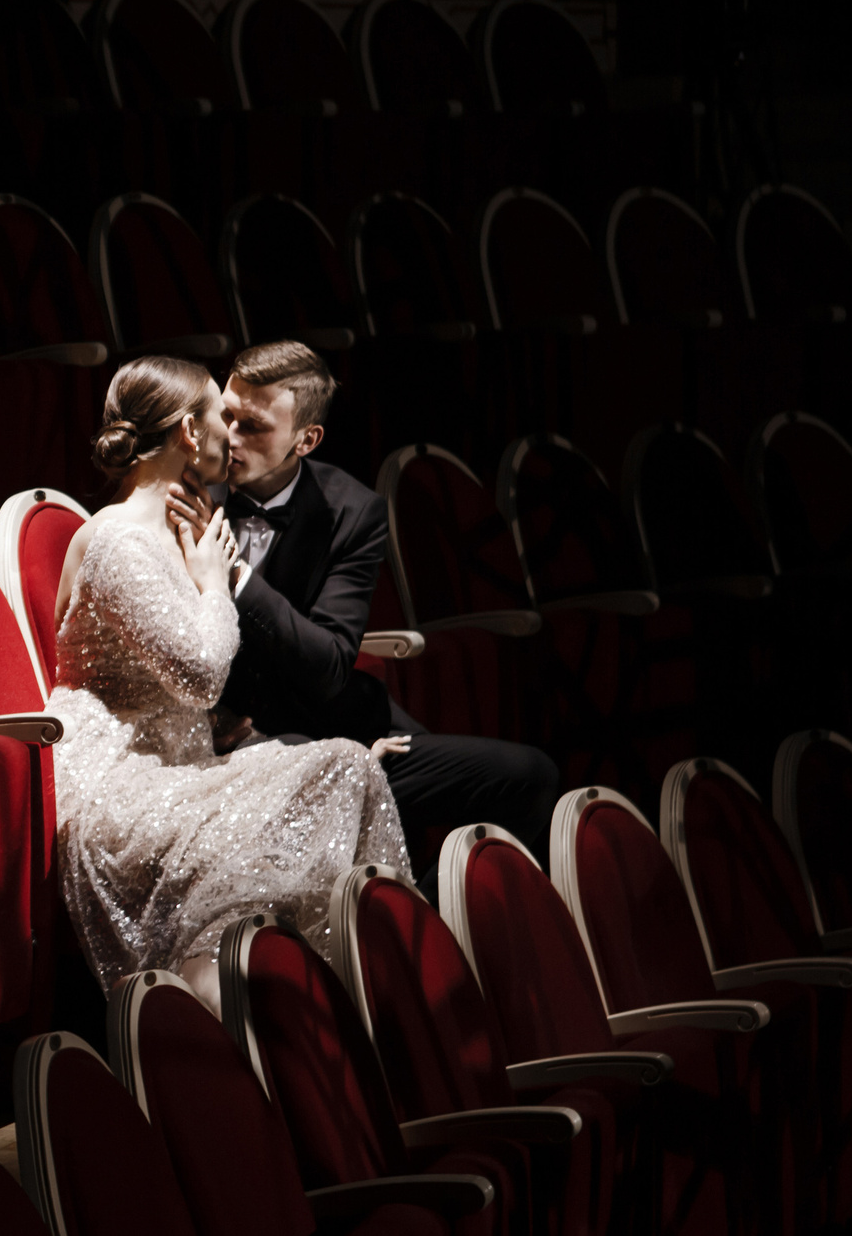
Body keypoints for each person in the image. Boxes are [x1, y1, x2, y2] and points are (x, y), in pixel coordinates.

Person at [43, 354, 410, 1011]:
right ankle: (210, 1007)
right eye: (223, 416)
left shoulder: (173, 528)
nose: (231, 434)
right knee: (340, 769)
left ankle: (324, 1014)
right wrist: (217, 582)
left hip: (179, 763)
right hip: (118, 783)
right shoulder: (122, 540)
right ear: (189, 431)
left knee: (348, 770)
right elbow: (204, 675)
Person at [168, 341, 561, 870]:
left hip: (343, 720)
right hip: (250, 743)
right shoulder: (183, 486)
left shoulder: (353, 510)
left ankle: (430, 911)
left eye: (254, 427)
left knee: (529, 777)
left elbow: (329, 665)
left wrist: (236, 574)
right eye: (227, 416)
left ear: (306, 440)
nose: (230, 438)